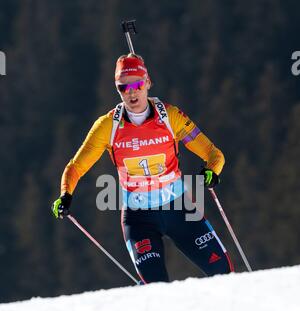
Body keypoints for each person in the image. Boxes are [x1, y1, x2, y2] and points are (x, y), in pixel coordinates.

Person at [52, 53, 234, 284]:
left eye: (137, 84)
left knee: (225, 276)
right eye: (123, 87)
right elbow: (76, 166)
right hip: (139, 219)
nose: (131, 92)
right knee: (156, 290)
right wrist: (66, 194)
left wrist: (212, 171)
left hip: (180, 209)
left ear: (148, 82)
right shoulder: (108, 126)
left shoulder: (170, 117)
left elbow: (213, 154)